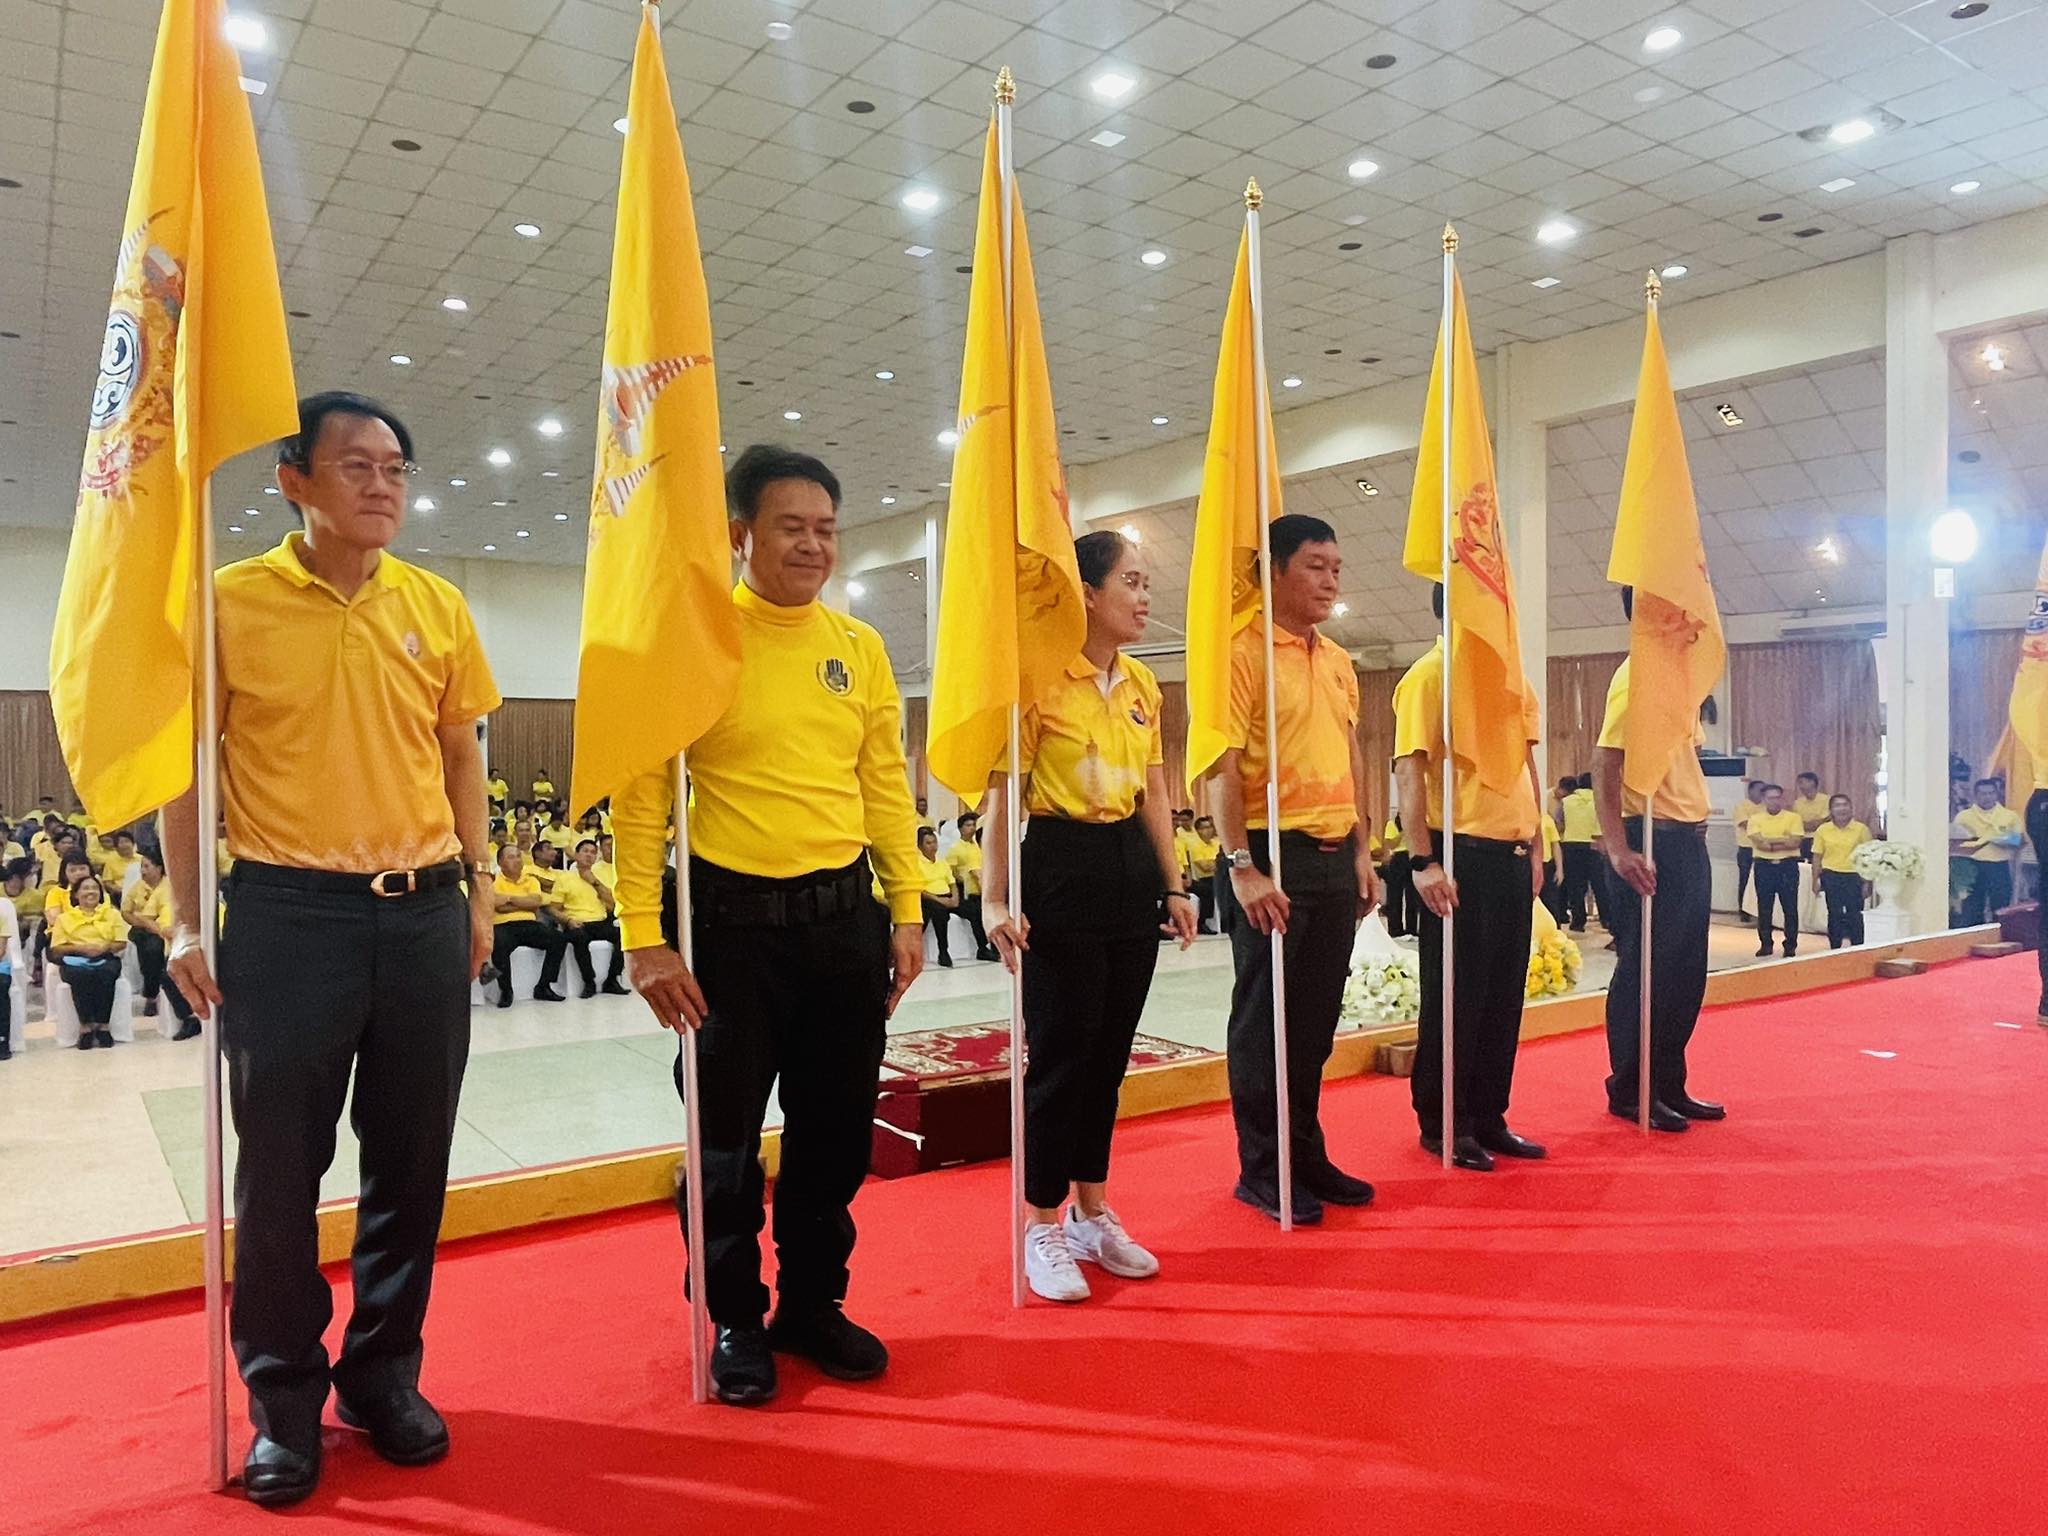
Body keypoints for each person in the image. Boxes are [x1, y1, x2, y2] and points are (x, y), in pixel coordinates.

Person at [162, 391, 501, 1506]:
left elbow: (460, 753)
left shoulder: (436, 604)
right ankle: (283, 1401)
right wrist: (186, 916)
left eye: (396, 467)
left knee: (412, 1163)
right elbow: (185, 774)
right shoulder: (228, 603)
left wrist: (480, 887)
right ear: (294, 480)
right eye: (356, 465)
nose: (381, 485)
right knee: (278, 1177)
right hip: (287, 918)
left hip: (423, 912)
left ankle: (383, 1376)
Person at [617, 444, 924, 1407]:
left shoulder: (858, 648)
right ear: (740, 534)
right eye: (791, 527)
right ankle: (736, 1320)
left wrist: (907, 906)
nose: (813, 545)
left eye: (826, 528)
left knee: (834, 1136)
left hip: (843, 927)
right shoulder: (694, 643)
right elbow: (641, 799)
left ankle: (813, 1305)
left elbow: (885, 788)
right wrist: (641, 933)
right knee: (724, 1146)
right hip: (728, 935)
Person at [980, 530, 1197, 1301]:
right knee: (1061, 1057)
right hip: (1060, 865)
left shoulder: (1141, 684)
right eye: (1130, 582)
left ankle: (1091, 1212)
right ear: (1088, 594)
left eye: (1146, 583)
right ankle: (1041, 1221)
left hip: (1127, 868)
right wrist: (996, 898)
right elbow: (1003, 798)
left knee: (1108, 1058)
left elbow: (1156, 793)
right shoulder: (1038, 681)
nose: (1144, 597)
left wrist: (1175, 885)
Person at [1208, 514, 1381, 1224]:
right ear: (1273, 572)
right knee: (1265, 1023)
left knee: (1314, 1023)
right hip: (1269, 856)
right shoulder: (1241, 654)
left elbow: (1350, 754)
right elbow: (1219, 767)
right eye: (1314, 565)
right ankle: (1263, 1168)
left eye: (1336, 567)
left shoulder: (1336, 658)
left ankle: (1306, 1153)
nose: (1330, 579)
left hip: (1335, 857)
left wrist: (1365, 850)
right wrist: (1242, 866)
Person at [1393, 582, 1548, 1171]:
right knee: (1456, 997)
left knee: (1504, 996)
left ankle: (1488, 1115)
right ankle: (1444, 1121)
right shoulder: (1429, 677)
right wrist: (1422, 860)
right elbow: (1409, 772)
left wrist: (1537, 844)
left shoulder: (1512, 682)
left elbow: (1527, 766)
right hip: (1460, 858)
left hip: (1512, 856)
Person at [1594, 600, 1724, 1131]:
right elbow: (1606, 760)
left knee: (1684, 974)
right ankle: (1631, 1088)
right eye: (1680, 607)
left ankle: (1668, 1082)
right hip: (1650, 840)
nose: (1694, 619)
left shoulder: (1680, 678)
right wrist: (1618, 848)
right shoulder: (1637, 677)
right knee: (1644, 973)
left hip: (1685, 840)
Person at [122, 851, 199, 1039]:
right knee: (166, 972)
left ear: (159, 868)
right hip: (167, 939)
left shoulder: (188, 887)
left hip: (192, 936)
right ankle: (189, 1017)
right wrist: (159, 929)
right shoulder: (152, 890)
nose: (143, 871)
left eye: (147, 866)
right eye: (142, 866)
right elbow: (141, 916)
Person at [48, 873, 127, 1048]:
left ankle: (103, 1025)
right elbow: (57, 948)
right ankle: (86, 1026)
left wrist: (104, 948)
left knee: (107, 973)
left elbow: (121, 942)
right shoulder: (64, 918)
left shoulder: (112, 914)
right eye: (85, 888)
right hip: (74, 959)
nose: (90, 892)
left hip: (105, 956)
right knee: (80, 976)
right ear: (76, 894)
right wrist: (81, 949)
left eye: (94, 888)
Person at [491, 844, 567, 1006]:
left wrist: (509, 899)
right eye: (511, 857)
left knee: (558, 939)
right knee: (499, 945)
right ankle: (506, 991)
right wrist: (523, 903)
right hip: (503, 925)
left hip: (529, 924)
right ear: (500, 862)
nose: (517, 860)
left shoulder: (531, 880)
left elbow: (535, 903)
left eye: (518, 856)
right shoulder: (493, 881)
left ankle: (543, 986)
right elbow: (497, 906)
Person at [553, 839, 627, 998]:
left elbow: (612, 904)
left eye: (593, 852)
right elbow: (553, 909)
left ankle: (612, 980)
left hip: (599, 921)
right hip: (576, 922)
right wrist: (567, 921)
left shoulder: (598, 876)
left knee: (624, 936)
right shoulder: (564, 877)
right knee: (579, 938)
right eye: (585, 851)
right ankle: (589, 982)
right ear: (576, 855)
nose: (589, 855)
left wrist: (595, 882)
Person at [1953, 778, 2025, 925]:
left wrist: (1997, 838)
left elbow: (2019, 840)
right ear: (1975, 795)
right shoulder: (1963, 817)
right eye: (1983, 794)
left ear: (1997, 794)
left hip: (1999, 865)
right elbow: (1955, 842)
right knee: (1972, 907)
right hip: (1972, 865)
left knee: (2001, 905)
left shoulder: (2010, 816)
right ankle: (1973, 934)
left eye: (1991, 793)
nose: (1987, 797)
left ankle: (2000, 934)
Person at [1747, 784, 1806, 958]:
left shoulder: (1793, 818)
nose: (1774, 801)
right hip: (1763, 866)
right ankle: (1766, 944)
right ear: (1763, 800)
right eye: (1770, 798)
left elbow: (1795, 842)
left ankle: (1790, 945)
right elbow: (1761, 844)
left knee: (1790, 907)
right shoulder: (1755, 818)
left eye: (1777, 797)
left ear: (1783, 799)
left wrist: (1771, 842)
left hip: (1787, 866)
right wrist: (1783, 840)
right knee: (1764, 907)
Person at [1808, 795, 1872, 949]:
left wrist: (1867, 882)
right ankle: (1835, 948)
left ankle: (1857, 948)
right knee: (1834, 914)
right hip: (1831, 876)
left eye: (1845, 805)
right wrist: (1815, 880)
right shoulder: (1823, 830)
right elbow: (1817, 857)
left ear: (1851, 808)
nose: (1842, 809)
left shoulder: (1861, 829)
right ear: (1831, 810)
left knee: (1854, 914)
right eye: (1837, 805)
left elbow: (1868, 856)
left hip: (1854, 876)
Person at [945, 810, 999, 962]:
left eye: (973, 825)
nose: (972, 828)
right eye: (968, 825)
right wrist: (961, 879)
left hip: (979, 888)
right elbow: (950, 871)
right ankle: (982, 948)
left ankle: (995, 945)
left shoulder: (976, 847)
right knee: (976, 913)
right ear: (960, 828)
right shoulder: (955, 849)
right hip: (964, 891)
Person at [1558, 772, 1600, 932]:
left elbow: (1559, 823)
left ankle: (1578, 921)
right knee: (1599, 885)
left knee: (1575, 886)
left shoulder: (1566, 801)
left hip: (1571, 845)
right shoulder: (1598, 801)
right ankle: (1607, 920)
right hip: (1595, 844)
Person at [916, 825, 960, 967]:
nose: (933, 846)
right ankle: (943, 952)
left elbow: (952, 883)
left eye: (934, 842)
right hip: (929, 898)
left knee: (975, 909)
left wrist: (955, 898)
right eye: (928, 843)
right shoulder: (916, 863)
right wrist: (940, 901)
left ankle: (984, 948)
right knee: (939, 912)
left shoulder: (942, 861)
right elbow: (920, 890)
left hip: (946, 896)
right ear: (920, 846)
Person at [1730, 779, 1765, 920]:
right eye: (1759, 790)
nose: (1762, 793)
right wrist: (1764, 826)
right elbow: (1745, 824)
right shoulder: (1742, 805)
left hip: (1763, 849)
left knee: (1762, 881)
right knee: (1745, 879)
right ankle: (1744, 912)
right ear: (1750, 791)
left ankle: (1761, 912)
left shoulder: (1765, 807)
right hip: (1746, 849)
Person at [1186, 814, 1222, 934]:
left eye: (1210, 827)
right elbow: (1205, 867)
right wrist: (1218, 863)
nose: (1209, 830)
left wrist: (1215, 863)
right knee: (1208, 890)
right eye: (1205, 828)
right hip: (1205, 878)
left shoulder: (1216, 843)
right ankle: (1203, 921)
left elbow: (1223, 862)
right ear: (1198, 830)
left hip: (1219, 875)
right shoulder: (1195, 845)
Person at [1378, 813, 1410, 937]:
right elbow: (1392, 844)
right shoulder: (1391, 825)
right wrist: (1403, 831)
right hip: (1398, 857)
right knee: (1395, 895)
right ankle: (1395, 929)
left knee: (1412, 896)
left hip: (1411, 856)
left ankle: (1411, 928)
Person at [1790, 772, 1827, 861]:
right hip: (1803, 840)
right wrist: (1809, 824)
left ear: (1812, 782)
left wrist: (1808, 824)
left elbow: (1823, 822)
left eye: (1801, 782)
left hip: (1821, 838)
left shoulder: (1826, 800)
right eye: (1799, 783)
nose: (1800, 786)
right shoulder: (1797, 803)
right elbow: (1796, 825)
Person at [1538, 802, 1563, 922]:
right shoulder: (1524, 819)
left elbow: (1555, 845)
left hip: (1546, 864)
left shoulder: (1547, 819)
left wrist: (1560, 870)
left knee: (1550, 901)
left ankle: (1555, 928)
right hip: (1529, 864)